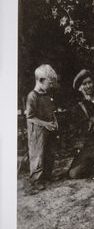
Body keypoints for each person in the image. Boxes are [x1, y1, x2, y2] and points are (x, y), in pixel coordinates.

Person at [25, 64, 58, 194]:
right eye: (50, 83)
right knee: (37, 154)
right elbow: (30, 117)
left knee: (50, 152)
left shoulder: (47, 94)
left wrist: (54, 121)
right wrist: (45, 124)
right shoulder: (32, 96)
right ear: (40, 80)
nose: (52, 86)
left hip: (49, 129)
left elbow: (52, 110)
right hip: (37, 132)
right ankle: (36, 180)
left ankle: (47, 176)